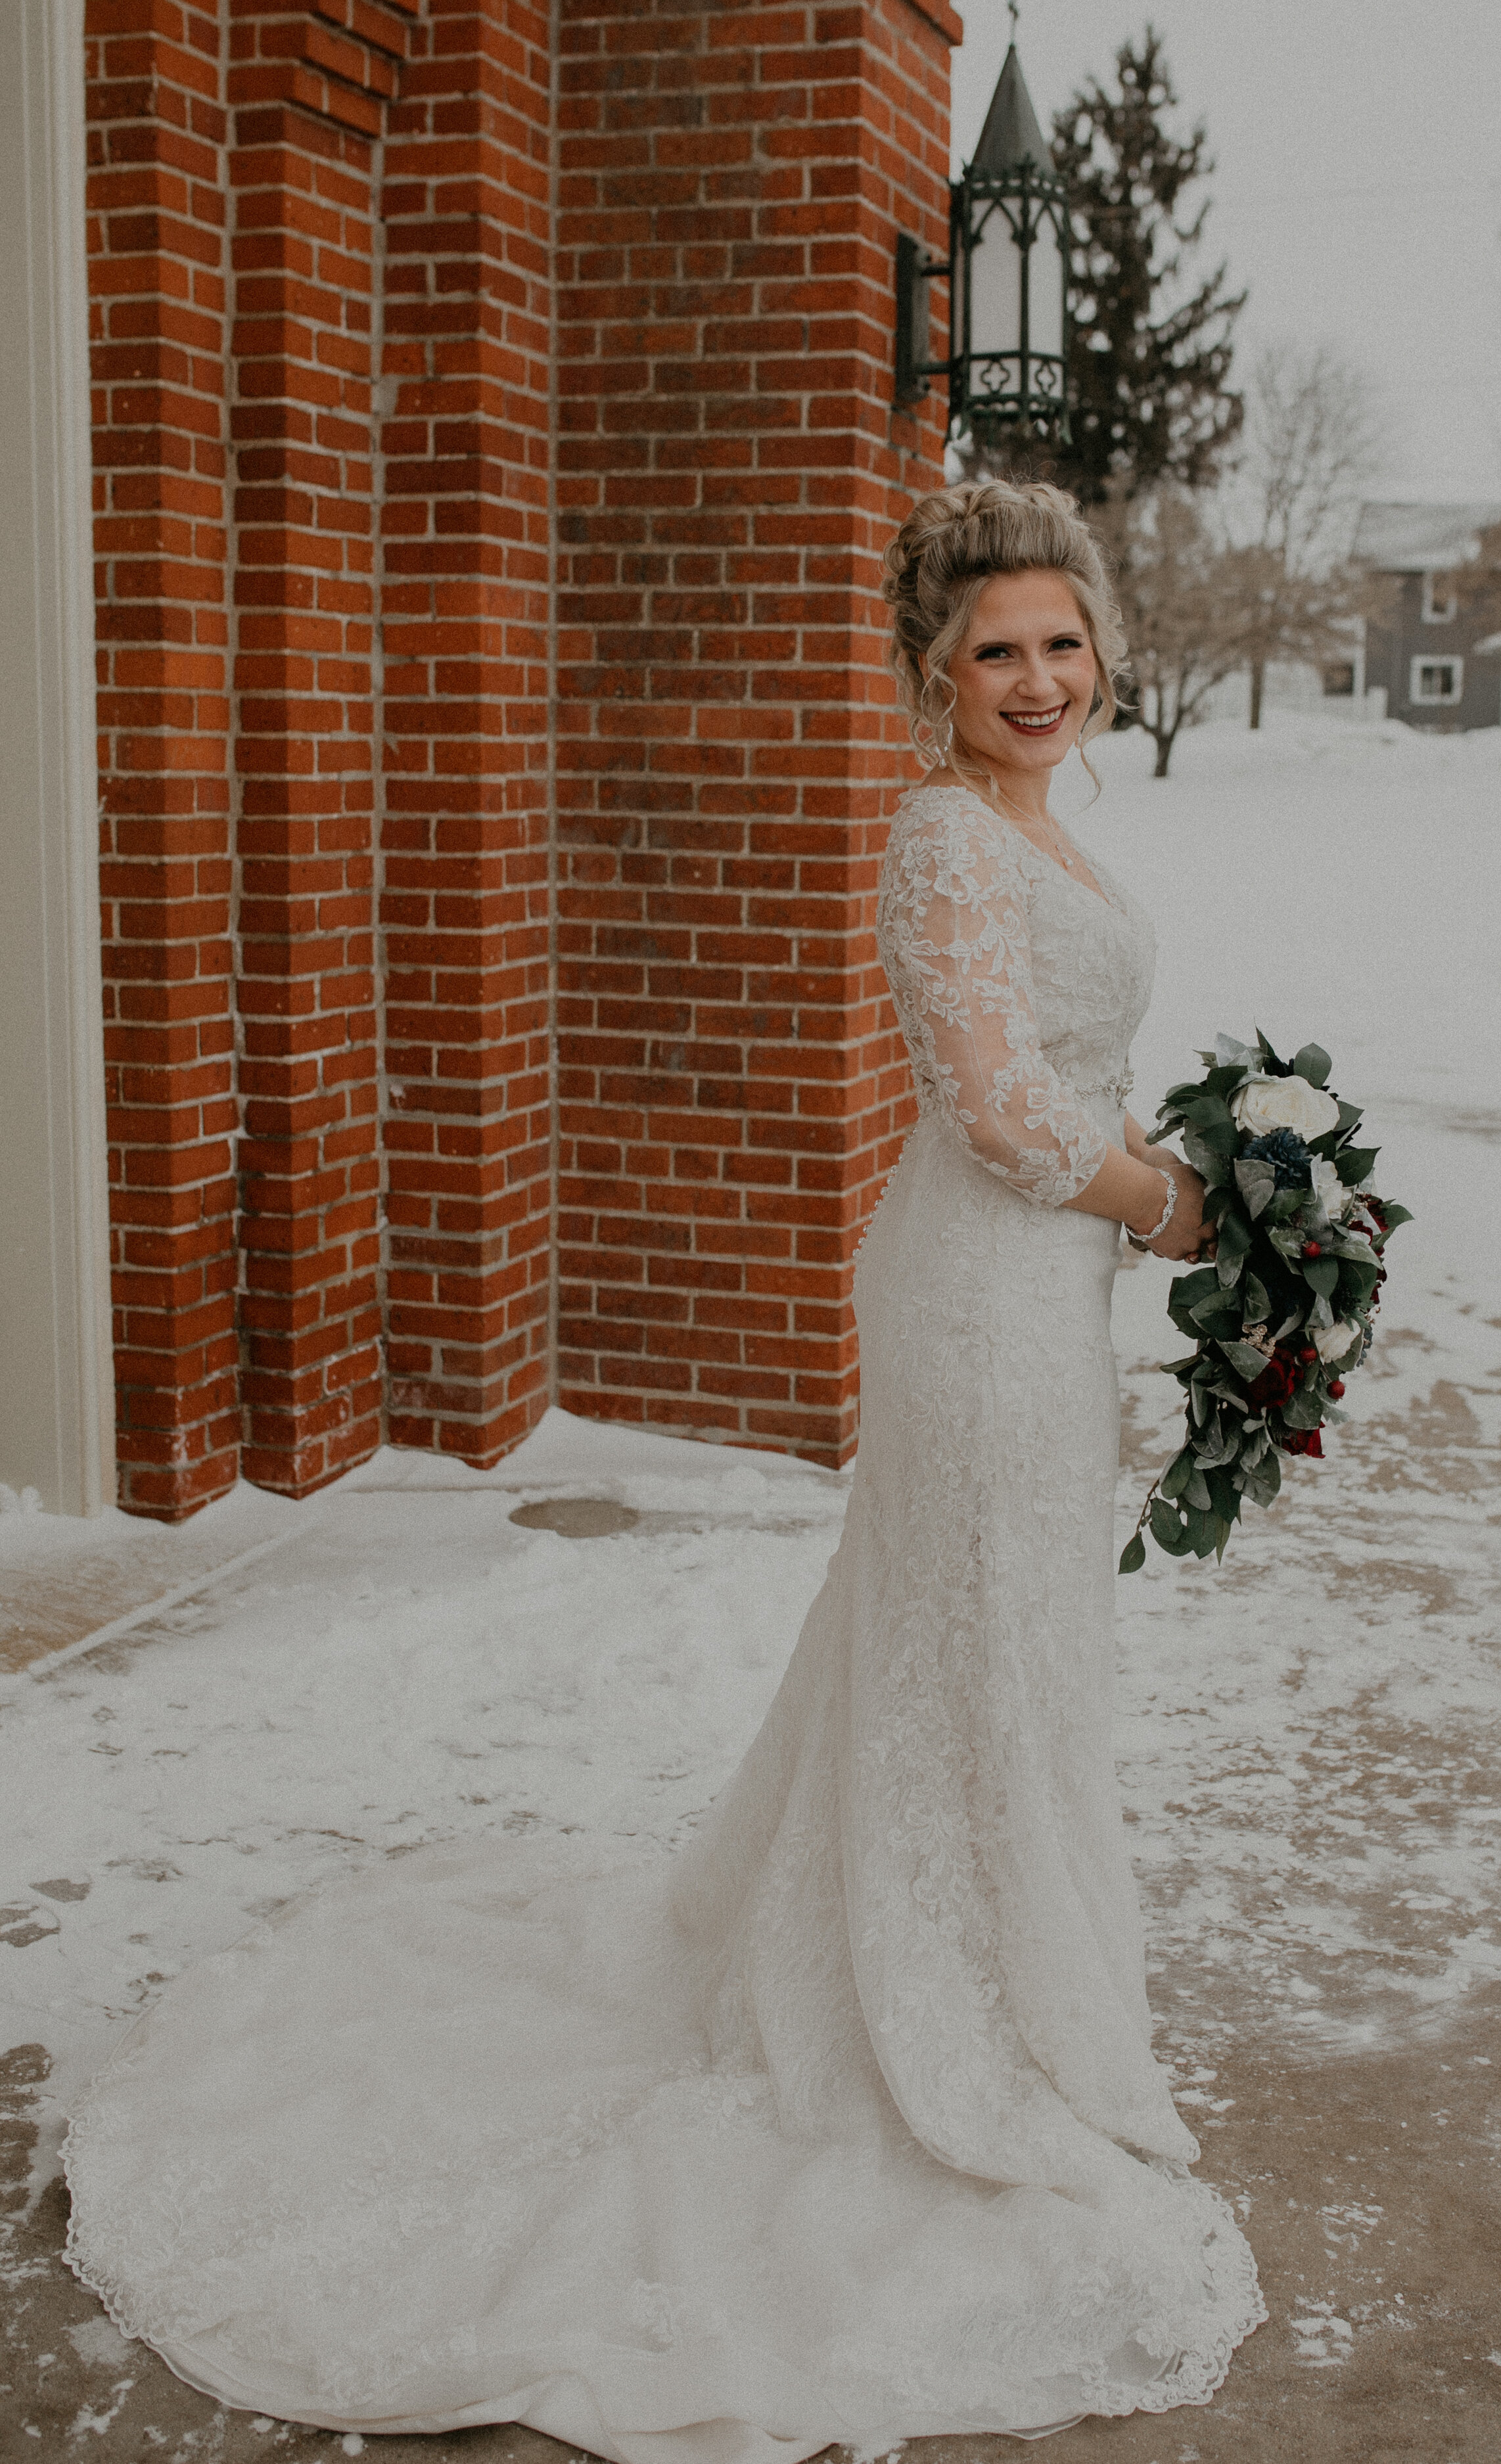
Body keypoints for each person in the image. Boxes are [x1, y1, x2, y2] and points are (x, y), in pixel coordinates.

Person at [63, 480, 1264, 2458]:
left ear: (1100, 652)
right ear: (933, 676)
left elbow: (1064, 1086)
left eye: (1060, 644)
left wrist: (1190, 1190)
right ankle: (944, 2025)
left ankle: (984, 1963)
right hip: (980, 1293)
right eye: (995, 653)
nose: (1035, 681)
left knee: (1006, 1639)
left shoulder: (1047, 831)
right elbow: (994, 1111)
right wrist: (1184, 1216)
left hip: (1042, 1306)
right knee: (975, 1630)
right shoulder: (942, 838)